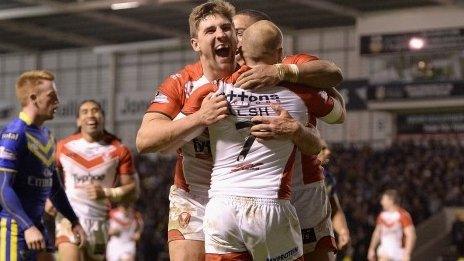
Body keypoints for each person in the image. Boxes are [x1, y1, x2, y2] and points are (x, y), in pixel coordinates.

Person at [136, 1, 344, 259]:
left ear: (239, 40)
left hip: (280, 190)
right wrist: (200, 117)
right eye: (210, 31)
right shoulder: (187, 83)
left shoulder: (273, 68)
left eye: (227, 29)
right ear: (195, 44)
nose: (221, 35)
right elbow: (145, 140)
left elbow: (334, 82)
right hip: (199, 194)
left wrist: (280, 72)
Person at [182, 20, 322, 260]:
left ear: (240, 51)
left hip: (221, 207)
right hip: (269, 205)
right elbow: (332, 120)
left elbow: (173, 134)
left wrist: (200, 117)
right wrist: (296, 130)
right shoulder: (301, 93)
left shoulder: (210, 91)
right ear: (279, 53)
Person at [232, 9, 346, 261]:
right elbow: (338, 112)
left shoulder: (293, 64)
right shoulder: (227, 75)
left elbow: (334, 73)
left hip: (302, 187)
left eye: (240, 33)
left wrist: (283, 72)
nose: (235, 40)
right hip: (249, 193)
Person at [0, 70, 86, 261]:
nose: (58, 101)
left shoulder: (46, 136)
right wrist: (26, 226)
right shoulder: (14, 134)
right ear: (33, 98)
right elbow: (2, 187)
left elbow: (54, 188)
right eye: (51, 96)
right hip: (14, 231)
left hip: (36, 232)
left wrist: (74, 221)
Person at [53, 100, 136, 261]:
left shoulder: (119, 150)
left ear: (102, 117)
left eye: (95, 110)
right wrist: (51, 198)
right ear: (78, 120)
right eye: (85, 111)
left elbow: (131, 190)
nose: (90, 114)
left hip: (99, 222)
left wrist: (106, 192)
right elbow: (48, 175)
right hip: (69, 217)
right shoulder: (63, 147)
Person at [318, 141, 350, 251]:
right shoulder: (292, 175)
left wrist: (342, 231)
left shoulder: (327, 178)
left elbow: (334, 208)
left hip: (317, 239)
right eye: (322, 148)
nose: (328, 152)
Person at [368, 189, 416, 261]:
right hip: (385, 251)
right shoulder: (382, 216)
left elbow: (411, 235)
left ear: (391, 201)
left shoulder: (403, 215)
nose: (381, 202)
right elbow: (377, 233)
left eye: (384, 199)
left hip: (399, 252)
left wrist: (407, 253)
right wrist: (371, 249)